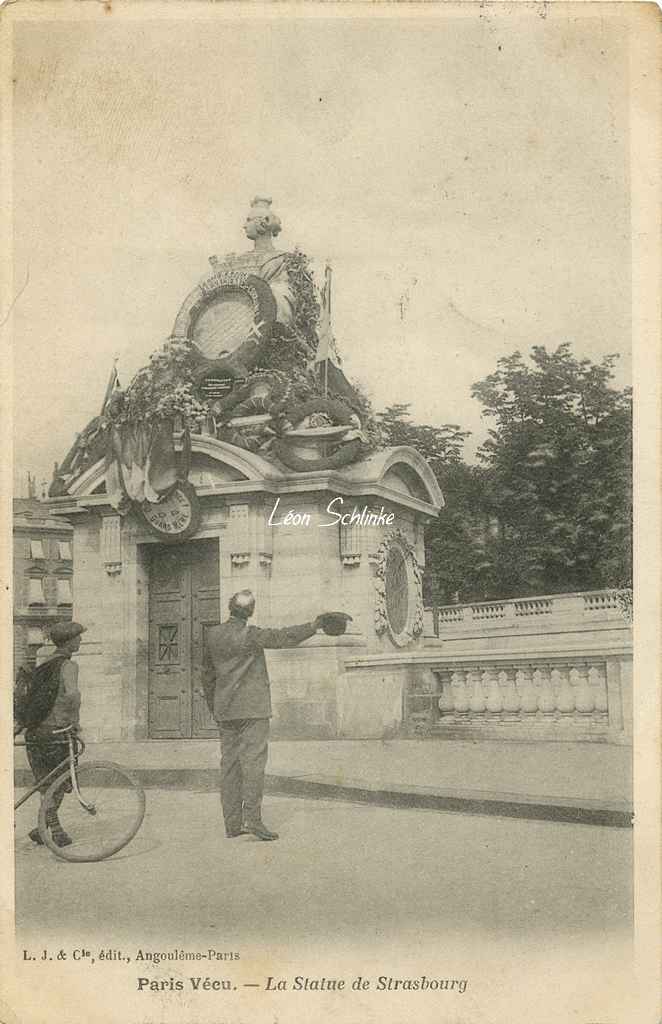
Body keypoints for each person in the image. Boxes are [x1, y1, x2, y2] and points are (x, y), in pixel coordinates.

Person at [203, 591, 332, 841]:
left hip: (226, 711)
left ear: (230, 608)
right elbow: (284, 637)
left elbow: (206, 676)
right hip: (253, 710)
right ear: (250, 611)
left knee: (229, 766)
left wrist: (216, 707)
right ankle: (253, 819)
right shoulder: (252, 635)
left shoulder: (212, 635)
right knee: (253, 765)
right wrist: (315, 625)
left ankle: (232, 824)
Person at [25, 621, 86, 847]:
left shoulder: (44, 663)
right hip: (56, 732)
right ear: (69, 642)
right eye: (78, 638)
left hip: (36, 733)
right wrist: (76, 723)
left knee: (46, 783)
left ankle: (42, 829)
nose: (80, 641)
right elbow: (73, 696)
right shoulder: (69, 666)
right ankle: (55, 828)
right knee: (59, 783)